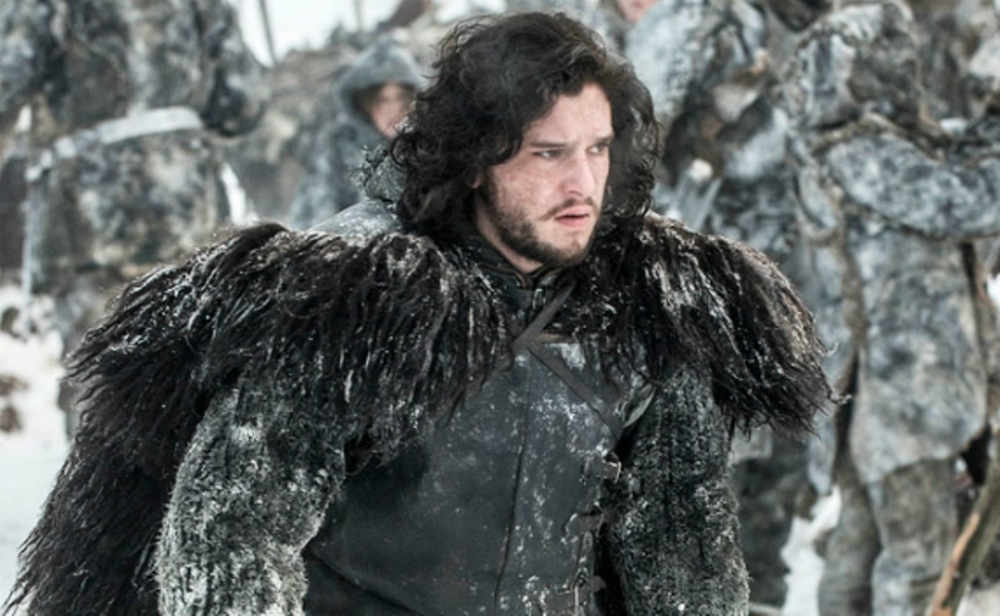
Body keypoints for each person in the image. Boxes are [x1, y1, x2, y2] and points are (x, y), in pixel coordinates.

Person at [5, 11, 831, 615]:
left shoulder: (646, 308)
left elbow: (684, 550)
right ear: (475, 161)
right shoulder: (356, 301)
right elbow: (234, 536)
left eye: (597, 149)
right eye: (549, 153)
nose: (583, 183)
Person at [783, 2, 1000, 614]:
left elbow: (953, 155)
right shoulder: (859, 154)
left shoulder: (870, 145)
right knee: (917, 559)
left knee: (862, 541)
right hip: (901, 396)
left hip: (887, 389)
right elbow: (967, 200)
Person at [0, 0, 267, 434]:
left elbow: (6, 82)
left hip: (88, 219)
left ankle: (102, 472)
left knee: (100, 380)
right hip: (188, 213)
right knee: (198, 368)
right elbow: (242, 105)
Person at [287, 37, 424, 230]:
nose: (393, 109)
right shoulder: (338, 151)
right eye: (382, 100)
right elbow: (315, 219)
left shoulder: (429, 148)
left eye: (401, 98)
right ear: (365, 104)